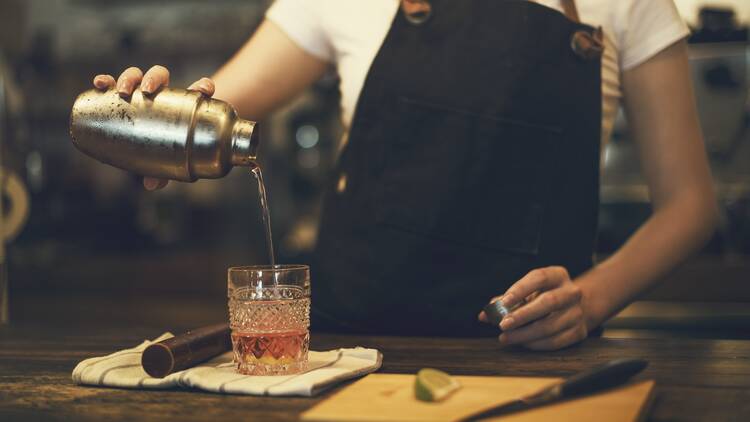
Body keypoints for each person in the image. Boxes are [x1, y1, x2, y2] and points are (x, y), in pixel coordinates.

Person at [92, 0, 718, 349]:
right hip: (352, 357)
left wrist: (593, 298)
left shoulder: (633, 5)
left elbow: (690, 205)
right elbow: (211, 113)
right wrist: (152, 118)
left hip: (534, 356)